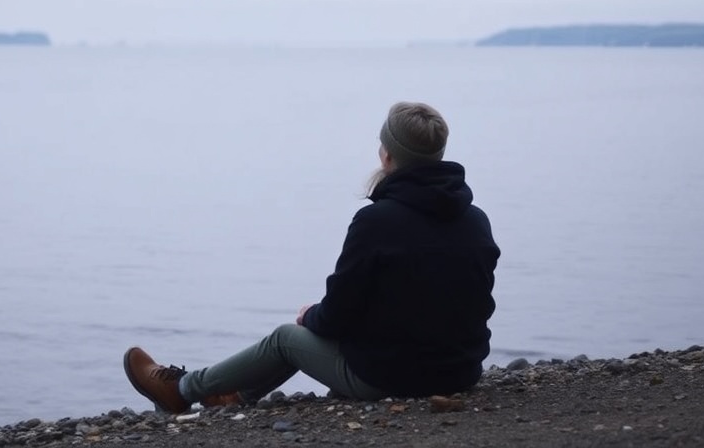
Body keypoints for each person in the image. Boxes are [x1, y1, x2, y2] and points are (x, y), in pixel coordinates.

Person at [123, 101, 500, 412]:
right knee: (319, 332)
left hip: (391, 379)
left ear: (387, 155)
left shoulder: (376, 221)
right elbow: (465, 305)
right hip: (461, 373)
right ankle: (233, 397)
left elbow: (337, 316)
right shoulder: (477, 220)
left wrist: (312, 317)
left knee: (289, 337)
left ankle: (182, 390)